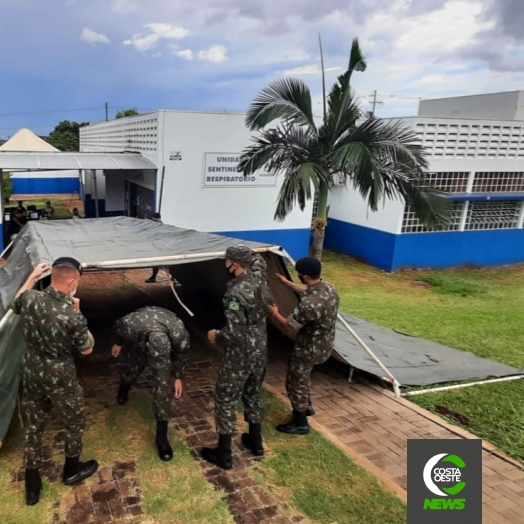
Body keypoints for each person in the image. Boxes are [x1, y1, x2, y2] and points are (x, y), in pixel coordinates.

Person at [11, 257, 98, 506]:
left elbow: (18, 300)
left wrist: (32, 275)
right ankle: (71, 469)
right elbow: (87, 349)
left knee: (33, 426)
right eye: (76, 283)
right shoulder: (72, 314)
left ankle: (32, 485)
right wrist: (80, 314)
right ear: (72, 281)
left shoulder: (31, 299)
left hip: (32, 372)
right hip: (60, 377)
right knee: (74, 421)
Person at [203, 245, 269, 469]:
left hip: (240, 354)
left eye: (228, 260)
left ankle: (224, 454)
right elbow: (260, 262)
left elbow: (234, 333)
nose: (225, 263)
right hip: (260, 351)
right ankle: (256, 442)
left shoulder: (235, 294)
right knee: (252, 394)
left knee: (226, 399)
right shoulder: (260, 280)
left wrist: (215, 336)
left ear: (235, 264)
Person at [268, 256, 339, 435]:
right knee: (304, 376)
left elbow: (289, 327)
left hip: (309, 347)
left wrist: (274, 313)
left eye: (299, 274)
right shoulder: (328, 288)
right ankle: (307, 407)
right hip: (325, 343)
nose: (298, 277)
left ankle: (300, 422)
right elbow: (307, 290)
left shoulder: (309, 305)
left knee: (295, 381)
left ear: (305, 276)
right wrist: (287, 283)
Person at [111, 306, 190, 461]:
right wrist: (118, 343)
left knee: (163, 387)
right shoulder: (130, 325)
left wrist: (179, 377)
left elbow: (182, 354)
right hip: (140, 341)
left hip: (162, 346)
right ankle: (124, 387)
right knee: (132, 370)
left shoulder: (179, 333)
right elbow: (118, 328)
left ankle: (162, 436)